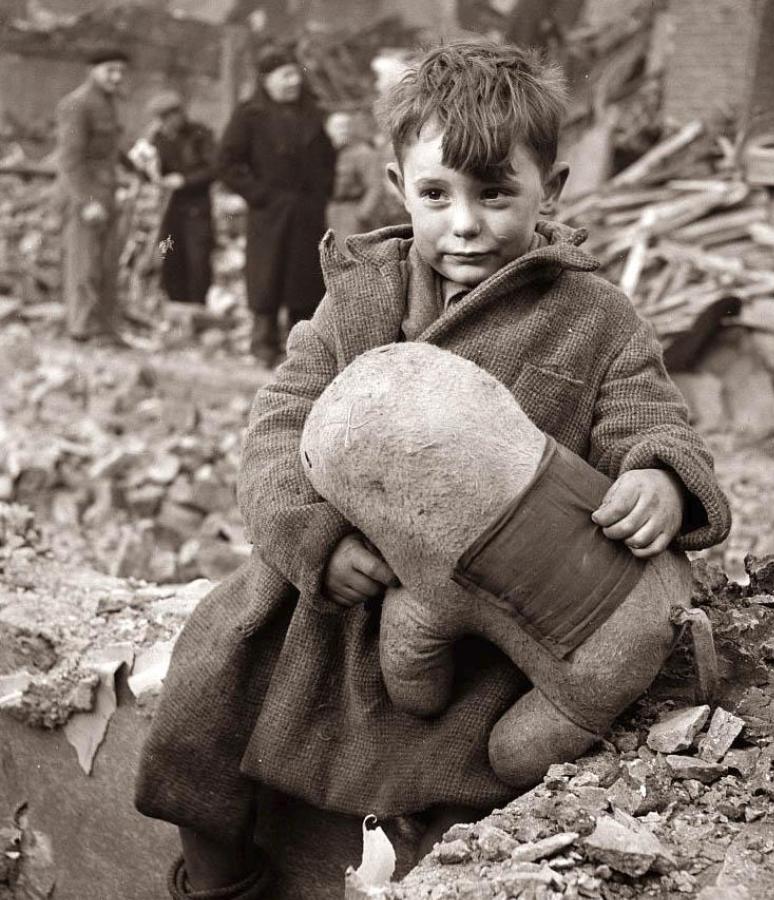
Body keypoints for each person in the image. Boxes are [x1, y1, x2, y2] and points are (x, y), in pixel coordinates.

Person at [135, 41, 732, 899]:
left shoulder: (591, 315)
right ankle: (219, 878)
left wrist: (661, 478)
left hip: (474, 617)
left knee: (459, 769)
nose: (466, 224)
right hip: (328, 597)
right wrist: (314, 535)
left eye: (497, 194)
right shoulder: (361, 297)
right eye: (437, 195)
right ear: (397, 186)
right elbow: (277, 422)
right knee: (211, 688)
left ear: (550, 189)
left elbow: (647, 414)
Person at [217, 44, 336, 367]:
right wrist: (260, 195)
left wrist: (321, 192)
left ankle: (299, 350)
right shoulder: (249, 114)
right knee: (267, 275)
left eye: (296, 75)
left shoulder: (311, 112)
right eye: (285, 76)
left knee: (304, 279)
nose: (293, 82)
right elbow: (227, 163)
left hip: (307, 210)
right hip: (270, 211)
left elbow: (327, 157)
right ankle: (263, 345)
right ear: (266, 80)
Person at [56, 47, 130, 344]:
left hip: (108, 192)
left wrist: (134, 166)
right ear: (93, 70)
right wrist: (87, 203)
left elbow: (109, 151)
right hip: (85, 195)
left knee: (107, 264)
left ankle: (103, 329)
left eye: (121, 71)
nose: (116, 76)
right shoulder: (77, 104)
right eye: (110, 70)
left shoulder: (108, 103)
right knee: (85, 264)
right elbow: (70, 160)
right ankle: (82, 329)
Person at [146, 91, 217, 307]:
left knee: (198, 260)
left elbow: (214, 168)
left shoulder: (200, 134)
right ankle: (175, 305)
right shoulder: (158, 139)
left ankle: (198, 307)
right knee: (170, 255)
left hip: (196, 210)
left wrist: (184, 181)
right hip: (170, 211)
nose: (166, 123)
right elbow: (152, 171)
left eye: (170, 116)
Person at [324, 110, 383, 249]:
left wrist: (362, 214)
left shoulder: (363, 153)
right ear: (327, 129)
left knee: (348, 256)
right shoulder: (320, 153)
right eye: (338, 127)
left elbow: (375, 186)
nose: (343, 130)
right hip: (326, 210)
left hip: (350, 211)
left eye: (346, 126)